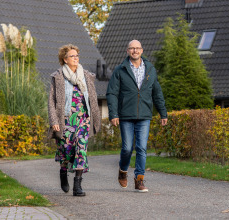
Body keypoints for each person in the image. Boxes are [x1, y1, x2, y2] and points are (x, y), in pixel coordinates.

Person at [106, 40, 168, 193]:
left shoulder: (150, 69)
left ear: (142, 50)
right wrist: (113, 113)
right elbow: (112, 93)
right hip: (126, 115)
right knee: (127, 148)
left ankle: (139, 179)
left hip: (145, 115)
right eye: (132, 48)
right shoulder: (120, 70)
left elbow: (157, 92)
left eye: (137, 48)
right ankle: (123, 170)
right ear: (127, 51)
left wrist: (162, 112)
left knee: (142, 148)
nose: (135, 50)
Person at [48, 44, 100, 196]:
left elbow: (93, 97)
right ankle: (63, 171)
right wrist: (54, 121)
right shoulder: (58, 76)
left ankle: (78, 185)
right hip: (65, 120)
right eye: (72, 56)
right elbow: (51, 101)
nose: (76, 58)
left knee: (81, 149)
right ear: (64, 59)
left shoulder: (86, 75)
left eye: (77, 55)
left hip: (83, 119)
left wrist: (93, 117)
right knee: (66, 151)